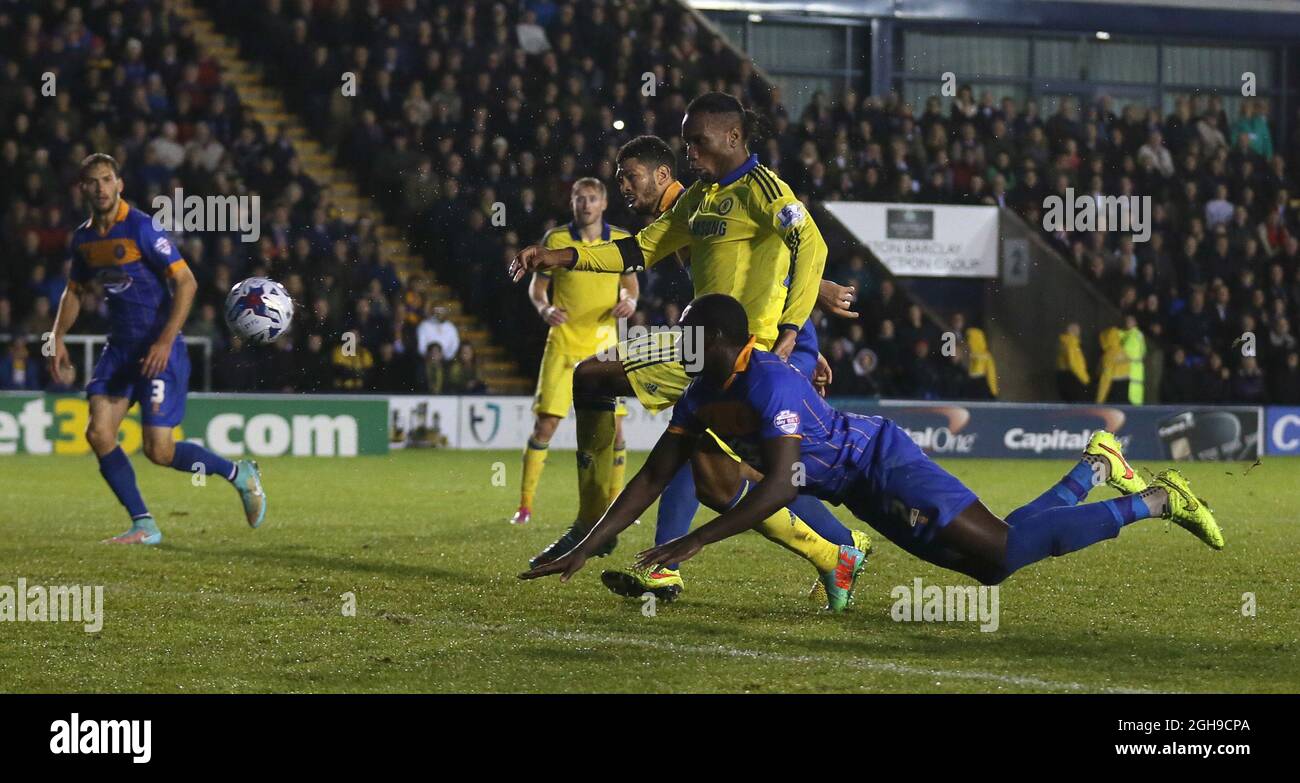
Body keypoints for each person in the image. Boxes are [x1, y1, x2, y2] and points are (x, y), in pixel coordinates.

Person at [521, 294, 1223, 601]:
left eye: (690, 335)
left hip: (881, 461)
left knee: (1002, 553)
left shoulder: (769, 384)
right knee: (993, 561)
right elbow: (651, 476)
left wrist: (695, 542)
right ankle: (1095, 464)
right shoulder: (701, 391)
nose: (681, 345)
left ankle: (1157, 498)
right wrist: (589, 541)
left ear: (726, 342)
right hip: (857, 487)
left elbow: (776, 488)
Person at [510, 100, 870, 607]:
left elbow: (808, 247)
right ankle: (835, 552)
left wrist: (794, 331)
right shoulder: (698, 199)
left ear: (733, 137)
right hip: (703, 346)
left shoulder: (764, 189)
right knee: (715, 474)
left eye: (697, 141)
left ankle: (633, 543)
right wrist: (561, 256)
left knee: (726, 471)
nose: (690, 151)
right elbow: (637, 251)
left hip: (752, 353)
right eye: (686, 142)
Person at [48, 154, 267, 545]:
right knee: (99, 433)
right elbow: (76, 290)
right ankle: (144, 524)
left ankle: (239, 474)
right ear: (82, 188)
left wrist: (165, 340)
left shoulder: (143, 228)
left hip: (157, 349)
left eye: (107, 179)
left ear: (120, 185)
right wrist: (58, 336)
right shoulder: (84, 238)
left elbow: (187, 283)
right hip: (119, 349)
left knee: (159, 451)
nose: (100, 187)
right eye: (92, 181)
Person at [511, 177, 638, 527]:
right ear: (572, 202)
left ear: (603, 203)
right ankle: (524, 506)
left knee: (615, 429)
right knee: (546, 424)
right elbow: (538, 289)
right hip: (564, 343)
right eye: (579, 199)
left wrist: (629, 302)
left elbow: (630, 287)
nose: (585, 204)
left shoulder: (622, 239)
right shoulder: (556, 240)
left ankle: (613, 506)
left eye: (592, 198)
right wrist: (544, 309)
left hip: (604, 346)